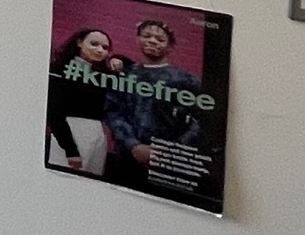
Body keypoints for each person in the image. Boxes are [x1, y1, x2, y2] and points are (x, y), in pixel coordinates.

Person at [100, 17, 203, 189]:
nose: (152, 41)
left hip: (169, 167)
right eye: (147, 36)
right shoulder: (125, 75)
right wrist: (133, 145)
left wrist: (169, 151)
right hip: (126, 159)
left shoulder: (187, 80)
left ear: (170, 47)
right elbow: (112, 111)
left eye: (160, 39)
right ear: (138, 39)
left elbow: (200, 121)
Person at [46, 26, 125, 175]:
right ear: (79, 42)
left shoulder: (102, 75)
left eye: (105, 47)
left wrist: (118, 59)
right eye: (94, 44)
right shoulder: (59, 69)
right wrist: (70, 148)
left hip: (98, 134)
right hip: (71, 130)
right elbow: (54, 111)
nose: (100, 50)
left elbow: (133, 70)